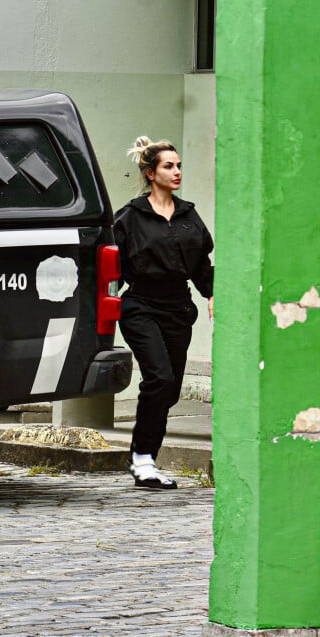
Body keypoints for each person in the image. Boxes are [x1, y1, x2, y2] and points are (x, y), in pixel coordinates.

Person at [114, 136, 214, 490]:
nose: (177, 172)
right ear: (150, 172)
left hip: (178, 308)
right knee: (158, 378)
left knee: (168, 389)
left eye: (179, 165)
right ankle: (142, 460)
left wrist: (213, 293)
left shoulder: (188, 214)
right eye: (168, 166)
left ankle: (144, 457)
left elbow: (202, 264)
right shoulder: (130, 217)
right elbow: (112, 268)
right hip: (140, 306)